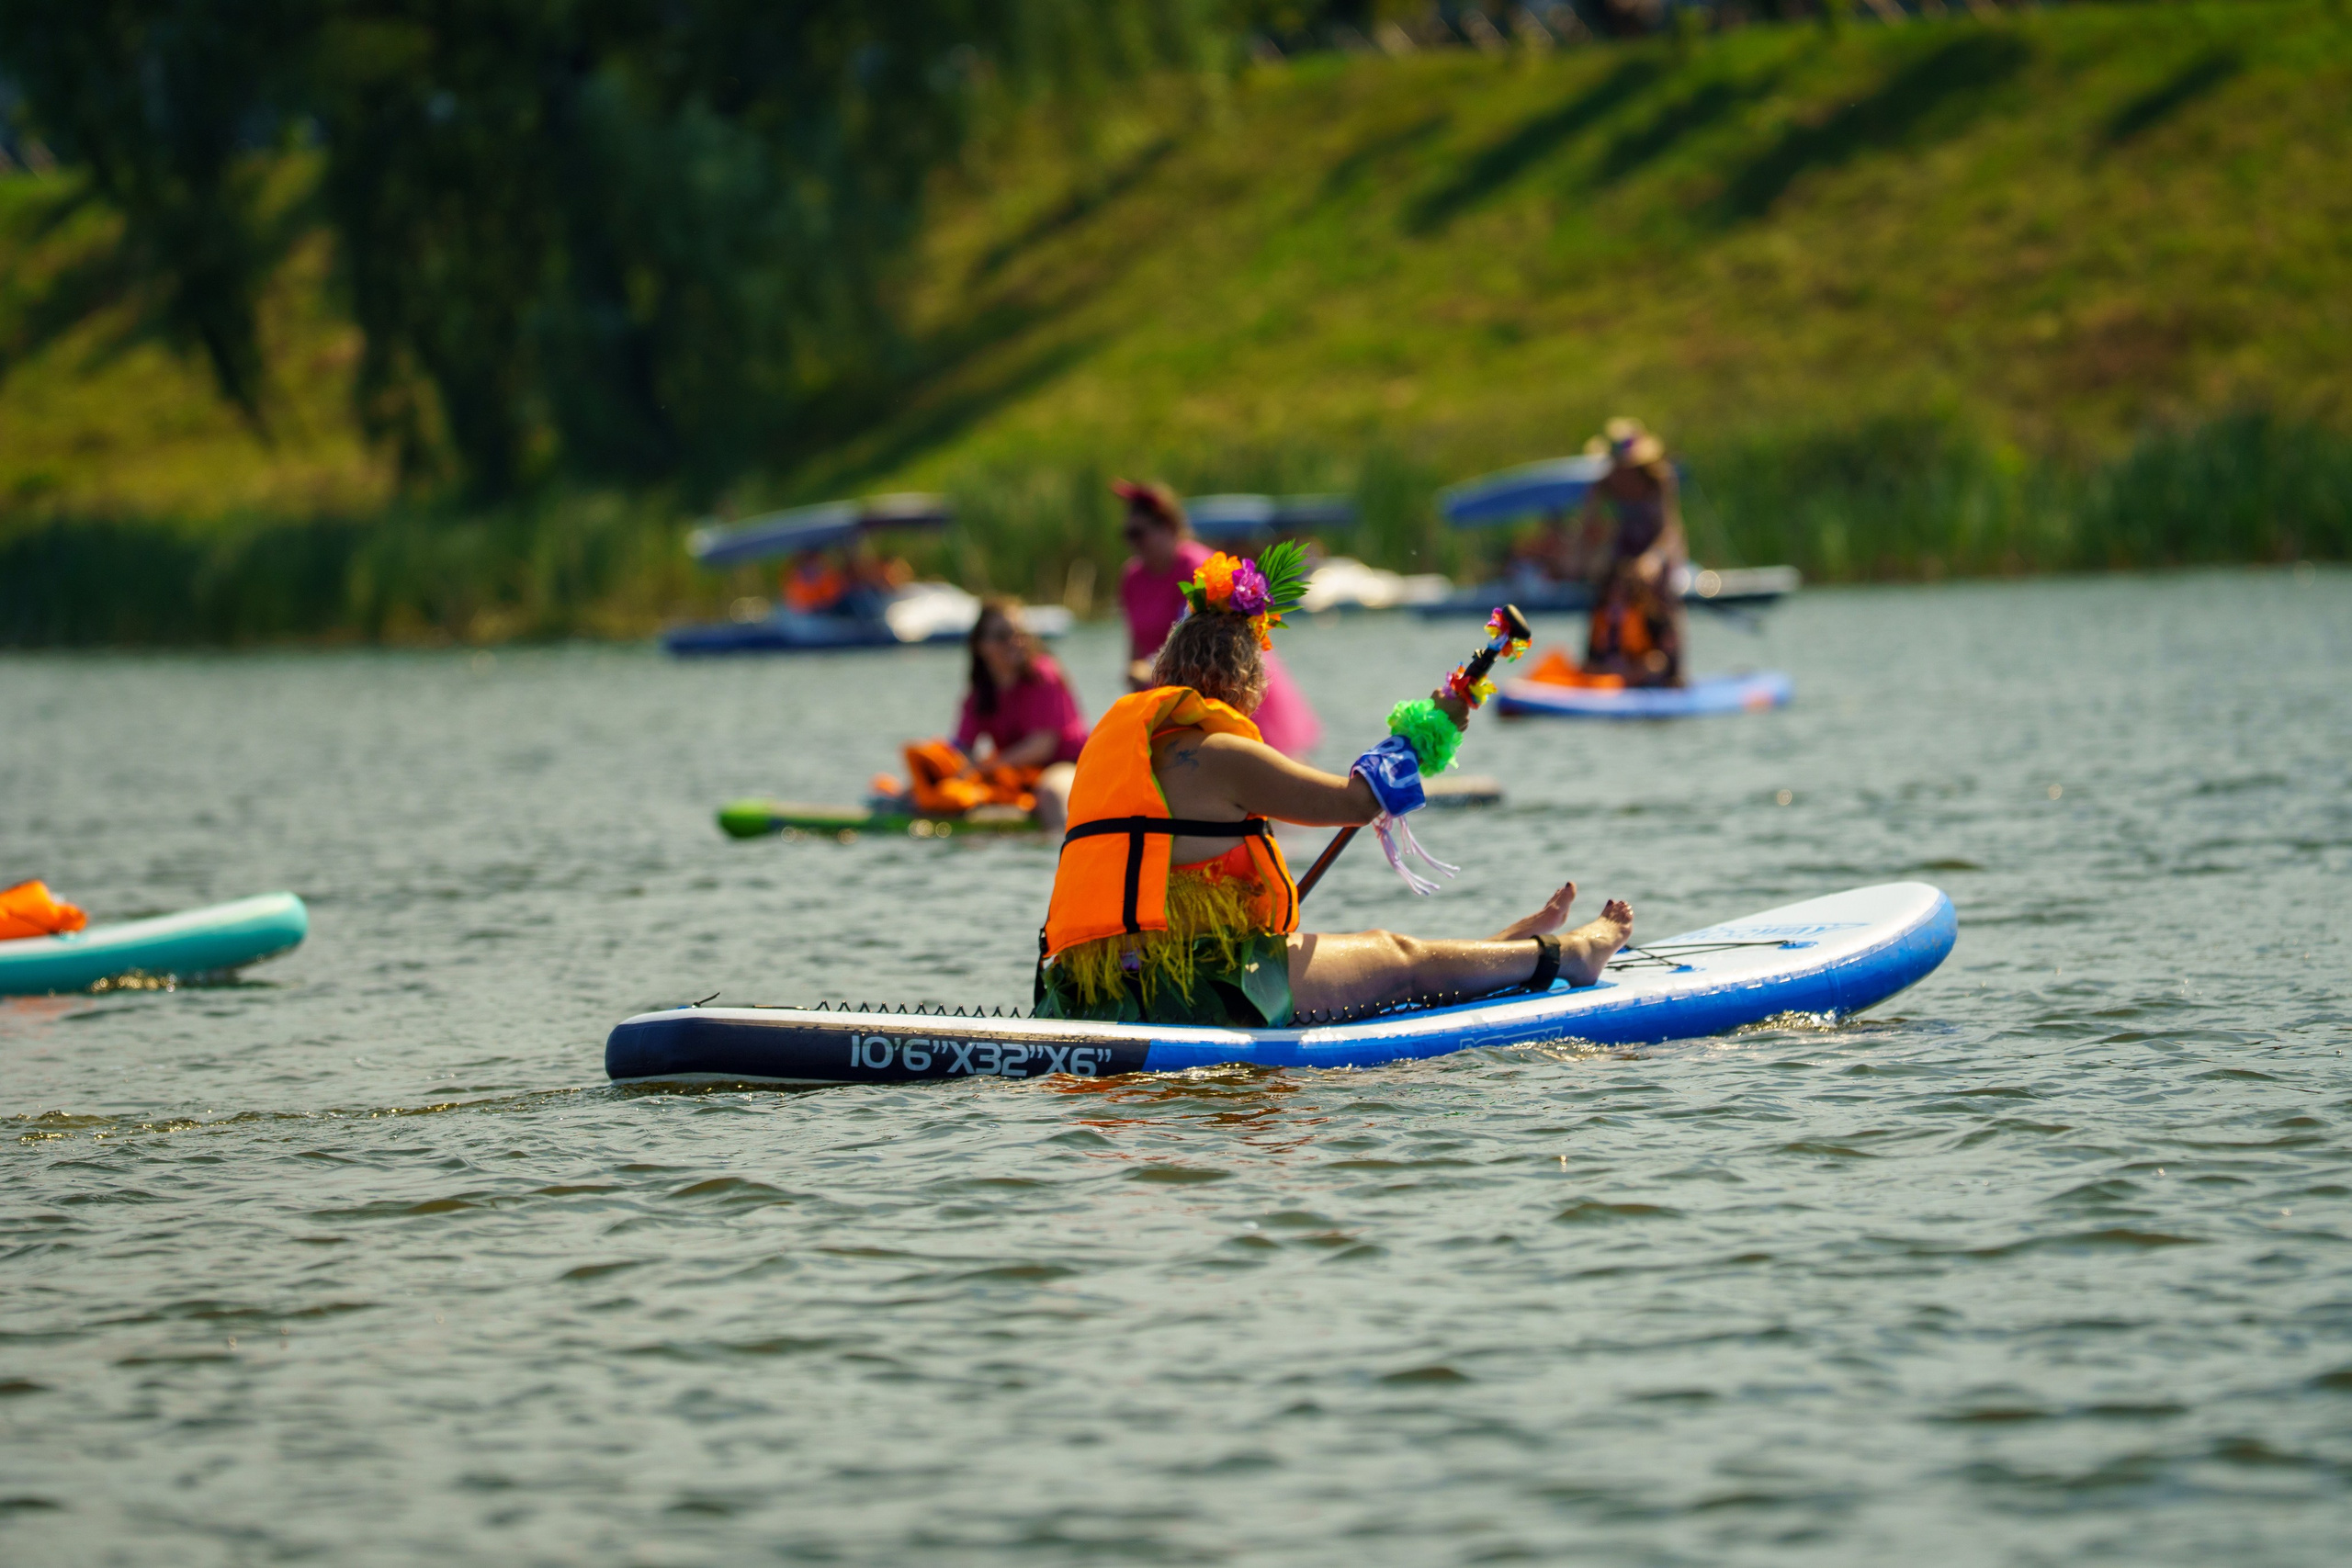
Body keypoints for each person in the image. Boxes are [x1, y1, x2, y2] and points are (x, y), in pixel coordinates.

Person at [1035, 544, 1632, 1028]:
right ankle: (1570, 956)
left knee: (1378, 965)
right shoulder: (1220, 752)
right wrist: (1431, 728)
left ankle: (1502, 948)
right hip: (1199, 987)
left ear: (1167, 670)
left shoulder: (1120, 748)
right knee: (1398, 958)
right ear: (1245, 680)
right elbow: (1356, 801)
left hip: (1099, 987)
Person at [1115, 479, 1321, 759]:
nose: (1134, 543)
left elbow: (1202, 641)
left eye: (1139, 533)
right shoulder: (1132, 579)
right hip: (1167, 691)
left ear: (1169, 527)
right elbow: (1136, 642)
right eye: (1128, 534)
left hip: (1223, 684)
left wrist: (1149, 670)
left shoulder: (1200, 569)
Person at [952, 599, 1087, 834]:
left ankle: (1063, 852)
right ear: (981, 645)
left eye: (1020, 633)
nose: (1015, 642)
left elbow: (1043, 746)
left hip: (1066, 764)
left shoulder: (1045, 674)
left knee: (1052, 793)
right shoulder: (979, 693)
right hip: (1015, 770)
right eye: (1003, 635)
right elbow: (962, 748)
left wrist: (986, 768)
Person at [1572, 418, 1688, 687]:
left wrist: (1653, 560)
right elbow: (1587, 526)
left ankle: (1673, 672)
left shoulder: (1658, 479)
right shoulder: (1604, 483)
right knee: (1605, 592)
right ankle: (1598, 663)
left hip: (1658, 547)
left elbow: (1669, 530)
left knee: (1661, 599)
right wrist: (1581, 558)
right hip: (1625, 546)